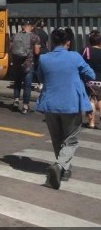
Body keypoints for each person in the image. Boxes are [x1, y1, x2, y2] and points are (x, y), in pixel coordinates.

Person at [36, 27, 95, 189]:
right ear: (67, 42)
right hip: (71, 104)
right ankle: (60, 165)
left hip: (50, 104)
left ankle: (63, 170)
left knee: (57, 138)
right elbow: (91, 75)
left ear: (52, 43)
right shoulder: (75, 57)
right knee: (71, 140)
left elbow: (40, 77)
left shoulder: (44, 59)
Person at [9, 19, 41, 114]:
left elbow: (10, 49)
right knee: (27, 85)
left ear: (22, 26)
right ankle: (25, 106)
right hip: (28, 64)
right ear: (31, 27)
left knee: (17, 82)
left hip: (17, 64)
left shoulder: (14, 36)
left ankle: (16, 100)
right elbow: (36, 52)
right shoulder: (35, 37)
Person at [81, 30, 101, 129]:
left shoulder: (86, 50)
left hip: (89, 79)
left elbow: (80, 63)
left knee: (91, 100)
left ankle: (91, 122)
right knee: (100, 99)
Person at [33, 20, 49, 92]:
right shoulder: (45, 33)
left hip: (38, 51)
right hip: (45, 51)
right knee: (43, 68)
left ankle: (40, 83)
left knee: (37, 68)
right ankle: (42, 83)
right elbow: (46, 43)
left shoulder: (34, 33)